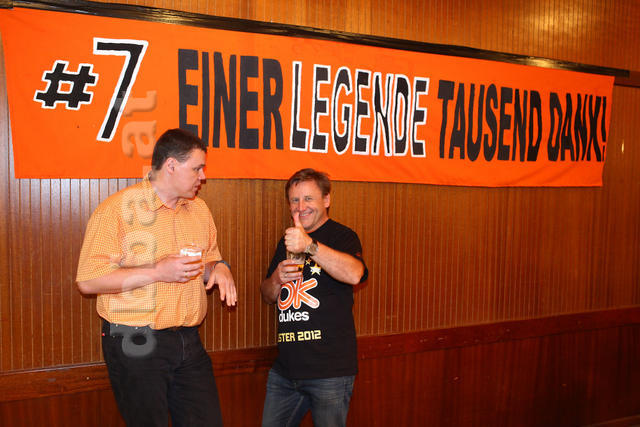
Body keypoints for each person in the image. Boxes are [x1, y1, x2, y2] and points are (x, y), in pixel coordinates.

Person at [76, 128, 236, 426]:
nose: (203, 177)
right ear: (171, 165)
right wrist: (157, 272)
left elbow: (208, 261)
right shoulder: (117, 210)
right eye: (197, 168)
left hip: (188, 340)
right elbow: (88, 281)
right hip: (135, 339)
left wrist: (220, 267)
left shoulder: (199, 210)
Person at [260, 168, 368, 427]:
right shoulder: (286, 241)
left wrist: (309, 245)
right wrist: (276, 279)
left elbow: (355, 274)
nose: (301, 207)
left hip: (329, 372)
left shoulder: (343, 236)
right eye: (295, 200)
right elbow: (267, 295)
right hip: (285, 370)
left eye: (308, 198)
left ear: (326, 200)